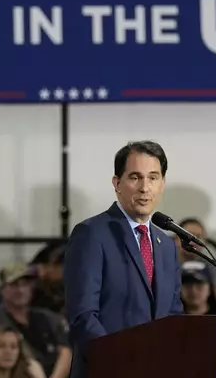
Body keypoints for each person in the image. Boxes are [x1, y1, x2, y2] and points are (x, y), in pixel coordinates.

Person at [64, 141, 183, 378]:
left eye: (153, 178)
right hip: (108, 370)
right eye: (135, 177)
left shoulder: (167, 245)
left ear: (162, 184)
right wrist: (121, 360)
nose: (144, 188)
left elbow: (173, 315)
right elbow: (83, 315)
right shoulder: (92, 234)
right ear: (117, 183)